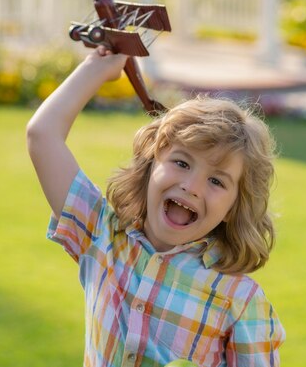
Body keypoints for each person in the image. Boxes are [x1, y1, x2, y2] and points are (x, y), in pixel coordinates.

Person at [26, 46, 285, 367]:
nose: (191, 186)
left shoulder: (240, 301)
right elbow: (42, 135)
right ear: (151, 164)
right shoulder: (103, 236)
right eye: (181, 162)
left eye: (217, 181)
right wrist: (97, 68)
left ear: (234, 207)